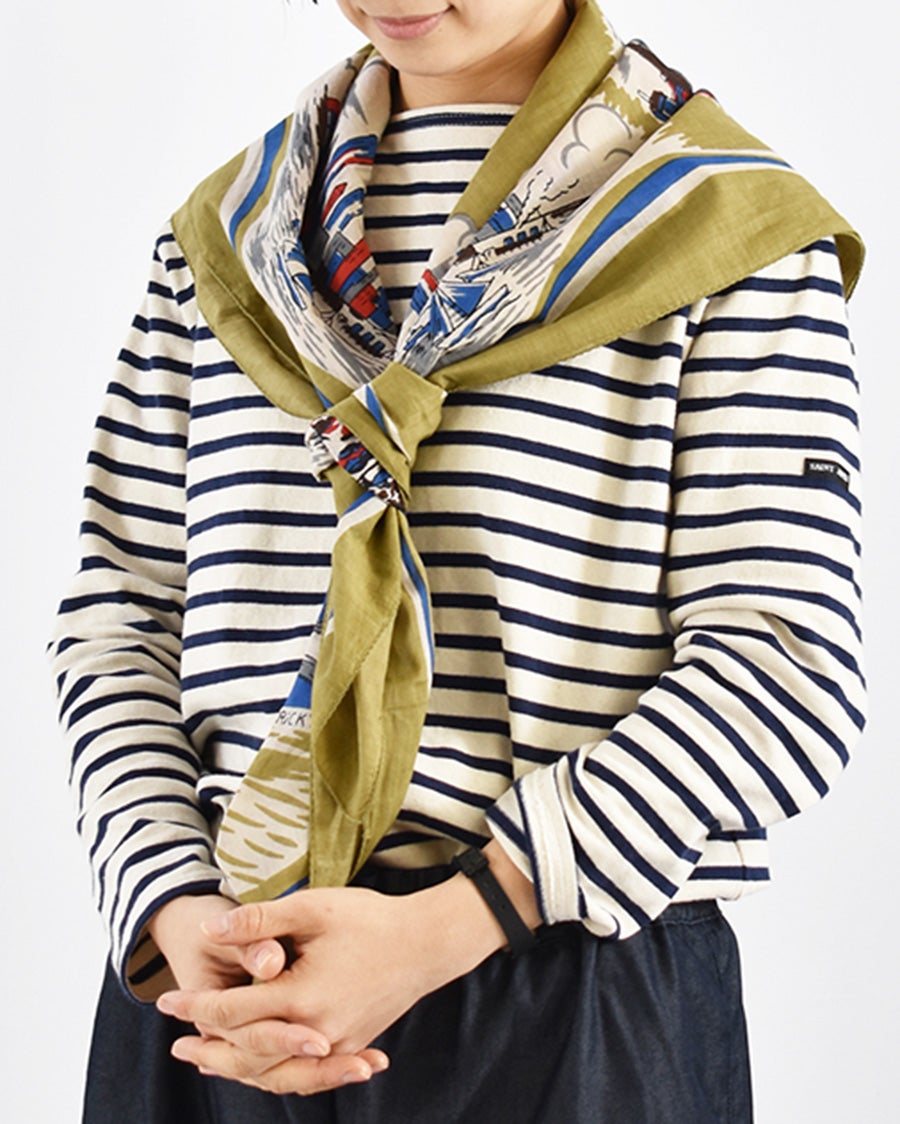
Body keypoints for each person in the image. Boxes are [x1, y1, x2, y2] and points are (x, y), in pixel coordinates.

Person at [50, 1, 865, 1120]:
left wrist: (454, 921)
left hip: (566, 992)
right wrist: (173, 908)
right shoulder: (225, 240)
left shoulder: (722, 227)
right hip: (217, 1003)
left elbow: (785, 661)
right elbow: (121, 617)